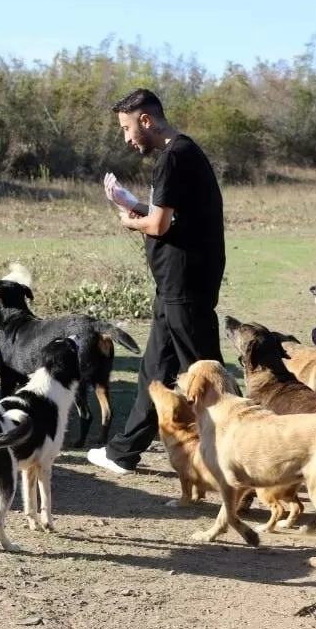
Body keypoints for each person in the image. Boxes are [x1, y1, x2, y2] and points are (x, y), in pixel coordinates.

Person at [87, 89, 226, 475]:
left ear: (145, 120)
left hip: (186, 284)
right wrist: (131, 203)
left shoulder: (174, 158)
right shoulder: (183, 153)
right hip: (174, 285)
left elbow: (159, 225)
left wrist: (128, 220)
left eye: (127, 128)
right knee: (154, 370)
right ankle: (123, 452)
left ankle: (255, 456)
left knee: (209, 379)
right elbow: (173, 217)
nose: (127, 138)